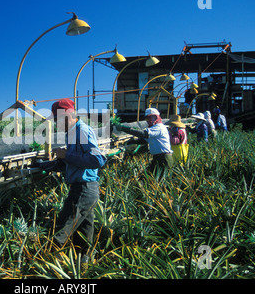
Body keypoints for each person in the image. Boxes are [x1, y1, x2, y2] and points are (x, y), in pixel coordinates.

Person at [50, 98, 106, 268]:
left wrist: (65, 156)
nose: (56, 123)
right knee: (83, 232)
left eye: (57, 119)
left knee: (62, 228)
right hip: (85, 188)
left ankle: (48, 266)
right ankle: (83, 266)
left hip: (84, 189)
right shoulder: (72, 133)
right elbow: (78, 160)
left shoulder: (82, 131)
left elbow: (98, 160)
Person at [114, 108, 173, 173]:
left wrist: (124, 128)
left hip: (164, 158)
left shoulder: (159, 127)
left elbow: (143, 134)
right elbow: (144, 140)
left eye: (149, 118)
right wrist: (131, 141)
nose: (147, 121)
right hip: (158, 158)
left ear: (156, 117)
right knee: (149, 177)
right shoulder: (153, 129)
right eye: (146, 119)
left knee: (159, 179)